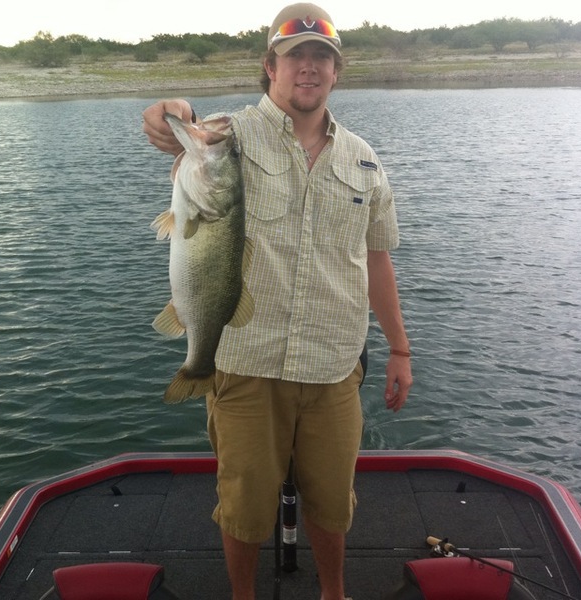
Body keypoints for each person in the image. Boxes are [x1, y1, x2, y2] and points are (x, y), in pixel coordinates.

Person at [142, 3, 413, 599]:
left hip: (333, 366)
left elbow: (377, 259)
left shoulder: (365, 160)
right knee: (243, 503)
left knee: (333, 501)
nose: (308, 68)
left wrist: (399, 349)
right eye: (295, 57)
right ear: (270, 67)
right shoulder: (229, 135)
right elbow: (176, 125)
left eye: (322, 57)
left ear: (337, 72)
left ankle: (333, 593)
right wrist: (170, 113)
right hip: (245, 363)